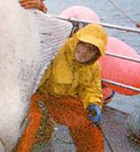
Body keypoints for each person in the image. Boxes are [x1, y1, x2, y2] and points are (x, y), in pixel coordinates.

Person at [15, 23, 108, 152]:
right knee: (32, 119)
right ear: (76, 41)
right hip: (38, 94)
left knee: (88, 120)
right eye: (83, 45)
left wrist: (94, 104)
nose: (84, 52)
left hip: (61, 100)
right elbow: (35, 78)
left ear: (96, 54)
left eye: (91, 50)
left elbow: (92, 89)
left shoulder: (94, 67)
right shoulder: (57, 51)